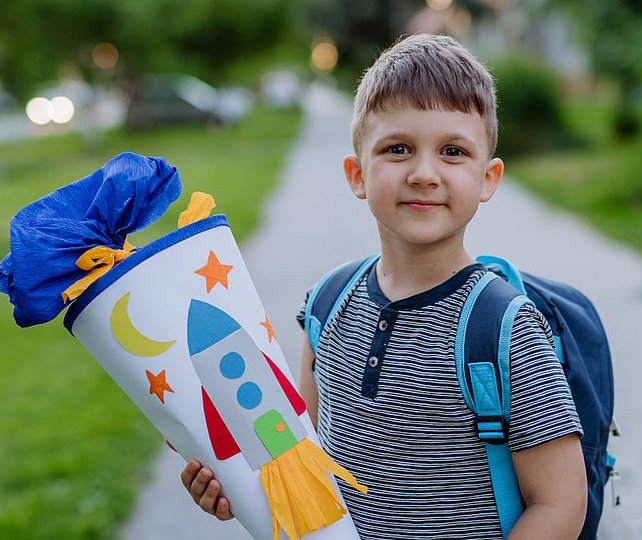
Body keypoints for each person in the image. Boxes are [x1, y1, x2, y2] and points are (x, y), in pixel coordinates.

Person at [181, 33, 587, 539]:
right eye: (398, 149)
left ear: (488, 178)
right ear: (357, 174)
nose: (424, 173)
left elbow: (561, 503)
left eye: (453, 151)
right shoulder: (328, 303)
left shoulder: (504, 327)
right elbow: (300, 458)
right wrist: (239, 491)